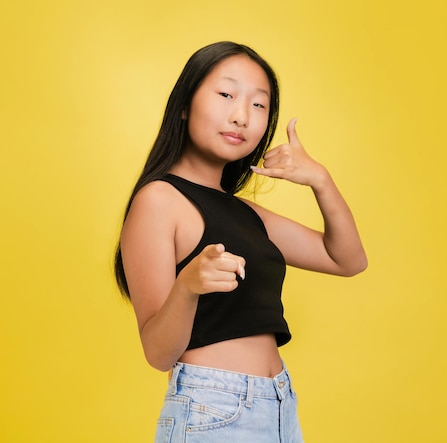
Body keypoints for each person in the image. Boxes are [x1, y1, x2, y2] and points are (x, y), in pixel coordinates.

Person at [114, 41, 367, 442]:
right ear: (185, 104)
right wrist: (187, 286)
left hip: (279, 404)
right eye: (226, 94)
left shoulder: (247, 214)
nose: (241, 117)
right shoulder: (158, 201)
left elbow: (347, 260)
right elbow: (158, 353)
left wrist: (321, 180)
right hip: (213, 409)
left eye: (258, 105)